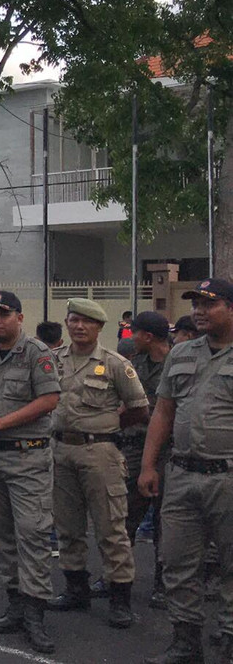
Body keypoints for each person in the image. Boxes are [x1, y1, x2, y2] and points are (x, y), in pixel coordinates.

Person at [0, 290, 62, 654]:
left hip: (27, 456)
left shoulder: (37, 353)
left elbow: (49, 399)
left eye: (2, 314)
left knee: (32, 533)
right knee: (1, 534)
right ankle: (16, 602)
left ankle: (35, 612)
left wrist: (0, 422)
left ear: (19, 317)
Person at [139, 279, 233, 664]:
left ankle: (228, 638)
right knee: (177, 561)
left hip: (227, 476)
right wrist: (148, 465)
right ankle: (185, 642)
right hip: (180, 475)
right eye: (196, 304)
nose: (199, 311)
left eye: (210, 304)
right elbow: (163, 412)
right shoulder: (182, 352)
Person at [45, 298, 147, 629]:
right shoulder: (53, 361)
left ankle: (119, 598)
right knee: (67, 526)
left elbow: (139, 408)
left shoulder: (115, 364)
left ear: (100, 327)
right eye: (74, 320)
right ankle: (76, 589)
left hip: (100, 453)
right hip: (61, 450)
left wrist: (107, 426)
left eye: (87, 322)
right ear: (66, 323)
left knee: (111, 527)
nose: (79, 326)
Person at [113, 310, 170, 609]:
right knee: (124, 515)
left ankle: (164, 583)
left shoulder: (176, 364)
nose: (131, 337)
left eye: (135, 332)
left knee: (165, 520)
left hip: (168, 451)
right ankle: (118, 577)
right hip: (135, 447)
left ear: (148, 336)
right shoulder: (136, 364)